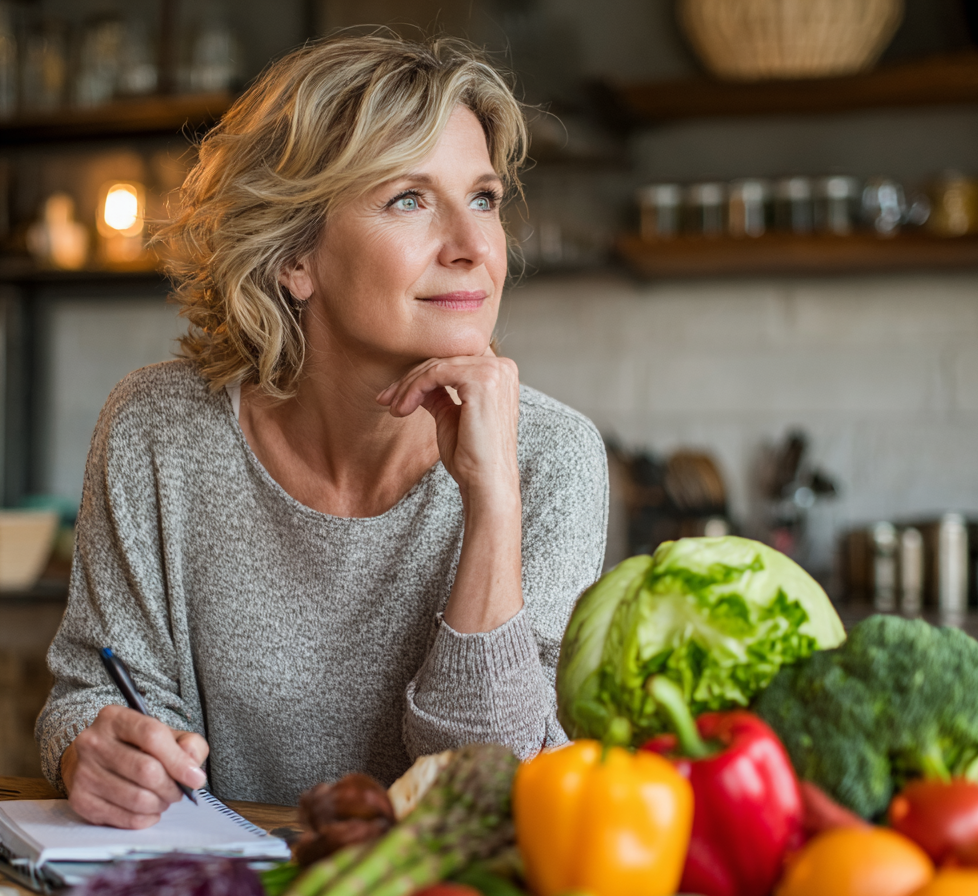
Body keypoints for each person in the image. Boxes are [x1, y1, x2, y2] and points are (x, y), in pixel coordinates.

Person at [35, 34, 608, 828]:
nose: (476, 248)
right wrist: (90, 749)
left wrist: (493, 504)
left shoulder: (552, 458)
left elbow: (485, 790)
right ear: (295, 258)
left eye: (483, 198)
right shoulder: (158, 430)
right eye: (409, 199)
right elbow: (94, 690)